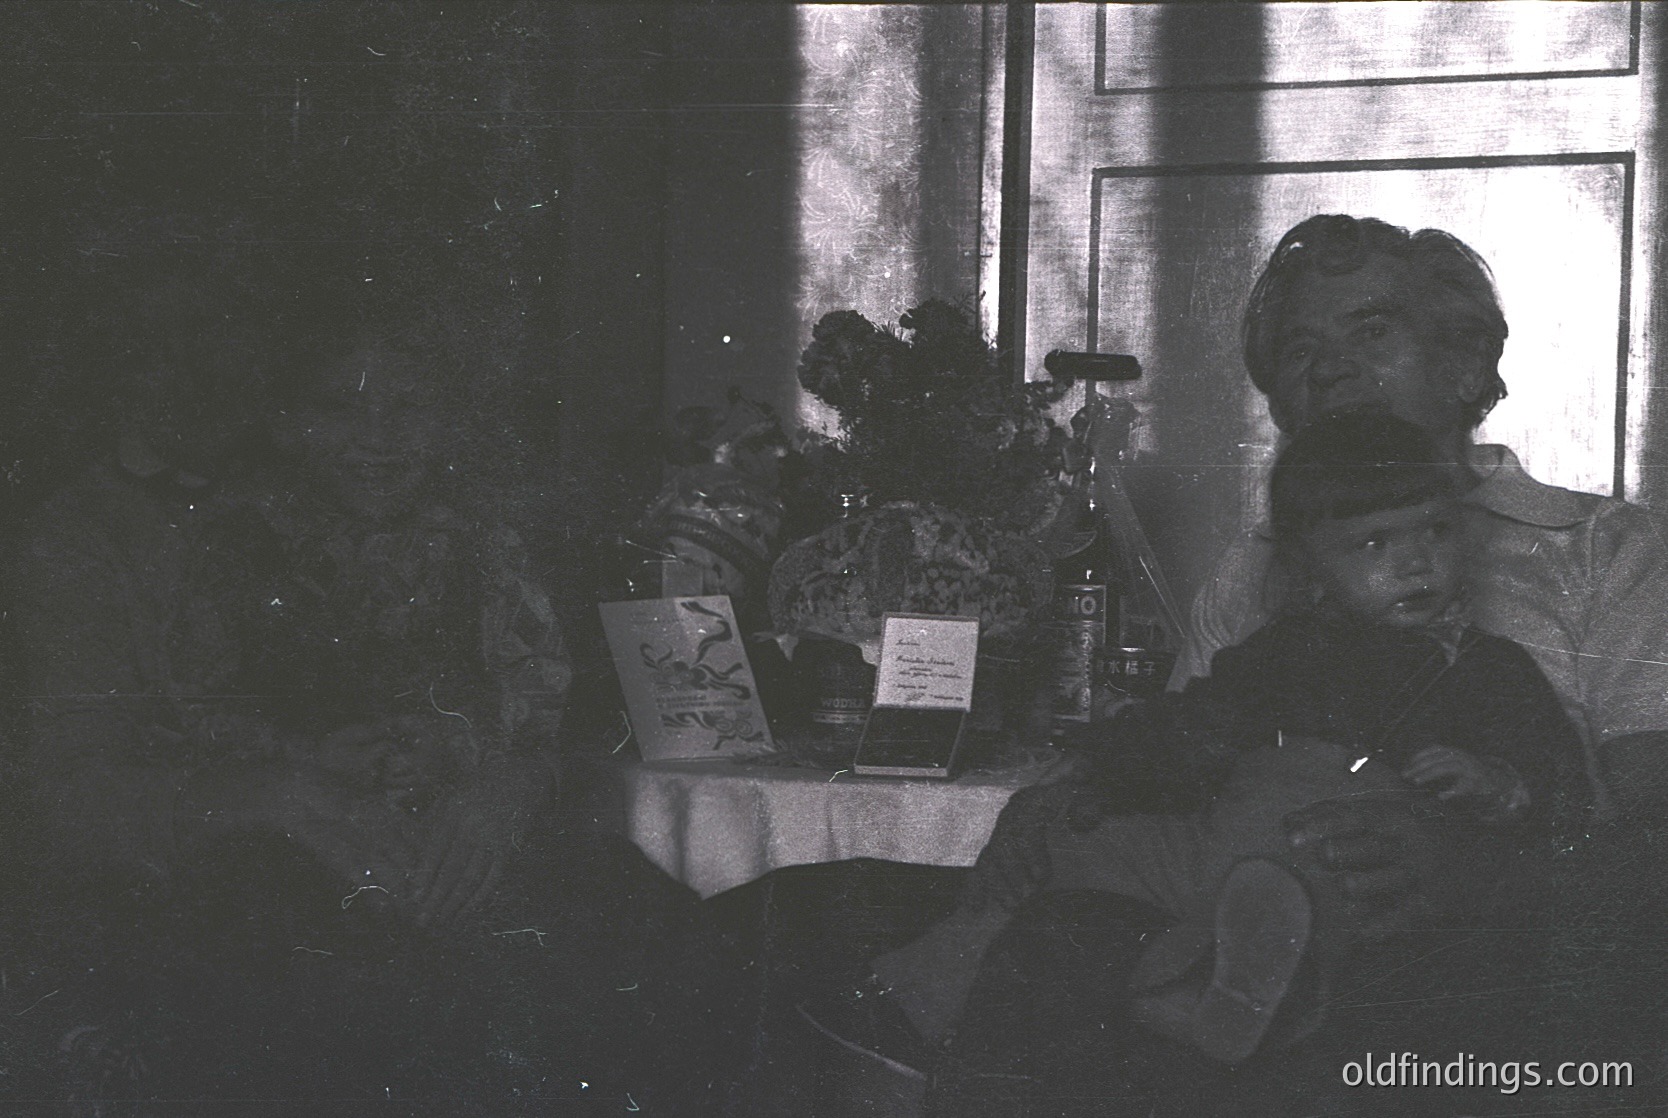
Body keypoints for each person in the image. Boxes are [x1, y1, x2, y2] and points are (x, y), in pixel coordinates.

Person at [922, 215, 1668, 1114]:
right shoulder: (1265, 567)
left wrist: (1479, 870)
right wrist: (1059, 797)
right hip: (1245, 899)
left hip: (1487, 952)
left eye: (1373, 330)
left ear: (1467, 367)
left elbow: (1650, 834)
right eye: (1301, 350)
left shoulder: (1608, 548)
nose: (1329, 366)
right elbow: (1187, 747)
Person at [7, 286, 741, 1112]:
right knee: (314, 975)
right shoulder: (228, 540)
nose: (378, 440)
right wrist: (296, 767)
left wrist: (475, 762)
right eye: (341, 410)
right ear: (291, 422)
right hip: (305, 846)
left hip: (461, 832)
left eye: (408, 410)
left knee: (641, 935)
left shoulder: (481, 539)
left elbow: (536, 700)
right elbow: (190, 714)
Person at [810, 410, 1582, 1075]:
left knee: (1288, 880)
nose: (1418, 561)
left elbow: (1554, 780)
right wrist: (1110, 766)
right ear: (1310, 571)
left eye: (1436, 530)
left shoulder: (1492, 667)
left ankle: (1215, 989)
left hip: (1337, 851)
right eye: (1373, 546)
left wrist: (1501, 787)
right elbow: (1198, 730)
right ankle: (935, 974)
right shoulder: (1290, 646)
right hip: (1229, 832)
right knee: (1086, 846)